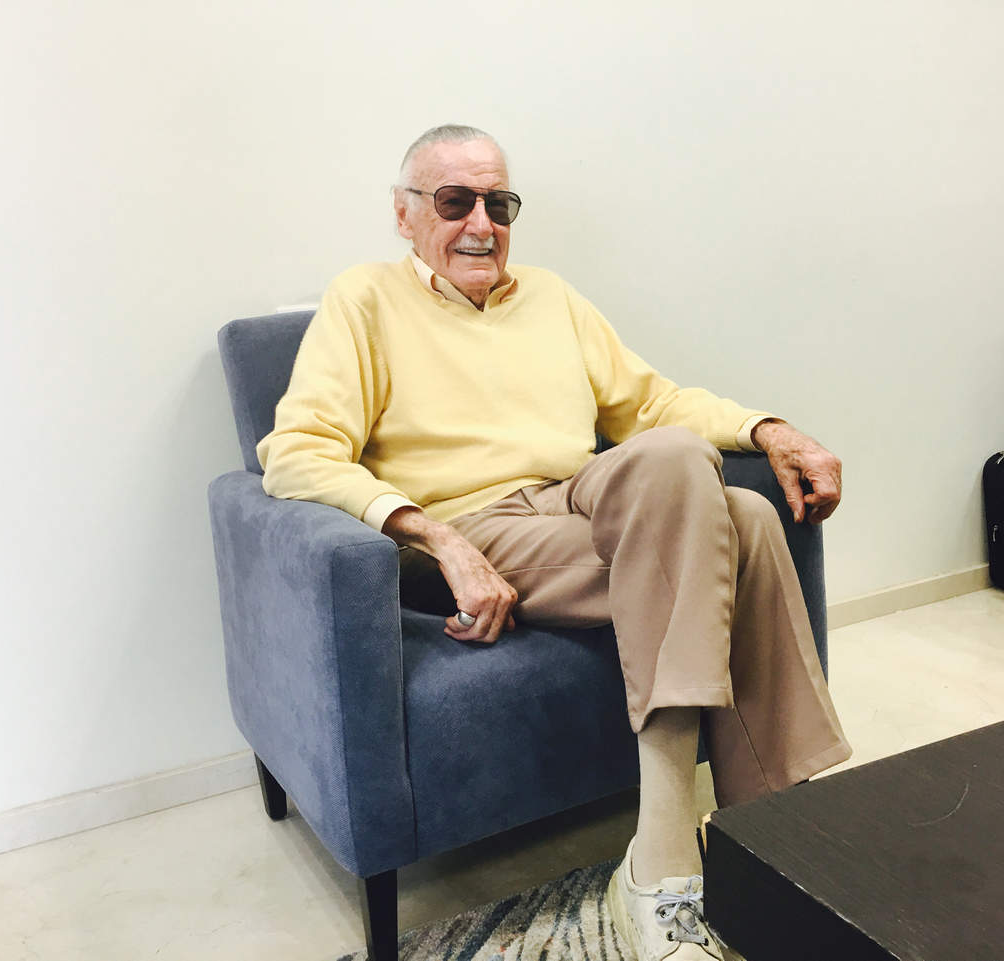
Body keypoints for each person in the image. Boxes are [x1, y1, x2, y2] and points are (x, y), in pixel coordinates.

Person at [258, 123, 852, 960]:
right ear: (404, 213)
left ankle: (752, 840)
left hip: (575, 494)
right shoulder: (363, 299)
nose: (480, 224)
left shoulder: (551, 297)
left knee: (691, 464)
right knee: (746, 523)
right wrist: (436, 537)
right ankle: (676, 851)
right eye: (454, 201)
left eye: (498, 204)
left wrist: (771, 429)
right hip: (470, 521)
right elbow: (294, 453)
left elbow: (653, 406)